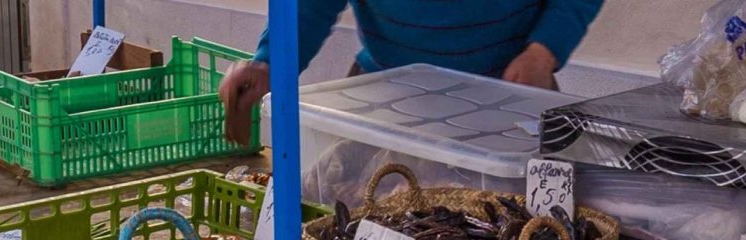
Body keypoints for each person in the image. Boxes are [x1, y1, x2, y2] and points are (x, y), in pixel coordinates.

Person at [221, 0, 605, 142]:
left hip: (510, 98)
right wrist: (272, 62)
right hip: (388, 98)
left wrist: (544, 52)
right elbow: (309, 6)